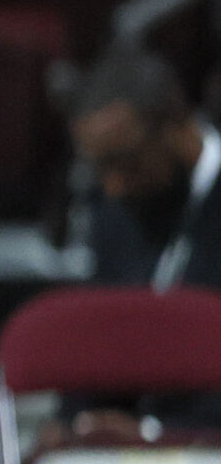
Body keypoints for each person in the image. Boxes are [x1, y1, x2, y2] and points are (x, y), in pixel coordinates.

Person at [70, 47, 221, 295]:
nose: (113, 187)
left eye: (126, 161)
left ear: (176, 126)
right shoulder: (113, 217)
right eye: (100, 167)